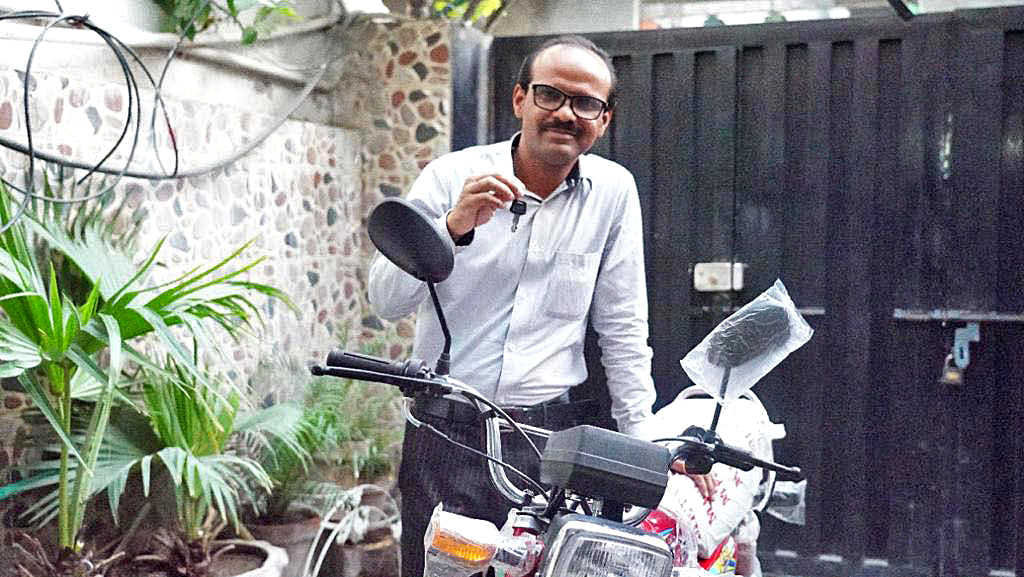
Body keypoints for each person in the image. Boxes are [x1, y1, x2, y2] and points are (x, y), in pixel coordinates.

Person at [368, 34, 710, 577]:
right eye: (550, 95)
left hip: (547, 442)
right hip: (444, 432)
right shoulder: (450, 176)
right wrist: (452, 227)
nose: (566, 114)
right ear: (520, 99)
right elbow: (385, 300)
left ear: (604, 119)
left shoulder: (613, 192)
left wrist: (644, 448)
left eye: (586, 103)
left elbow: (623, 327)